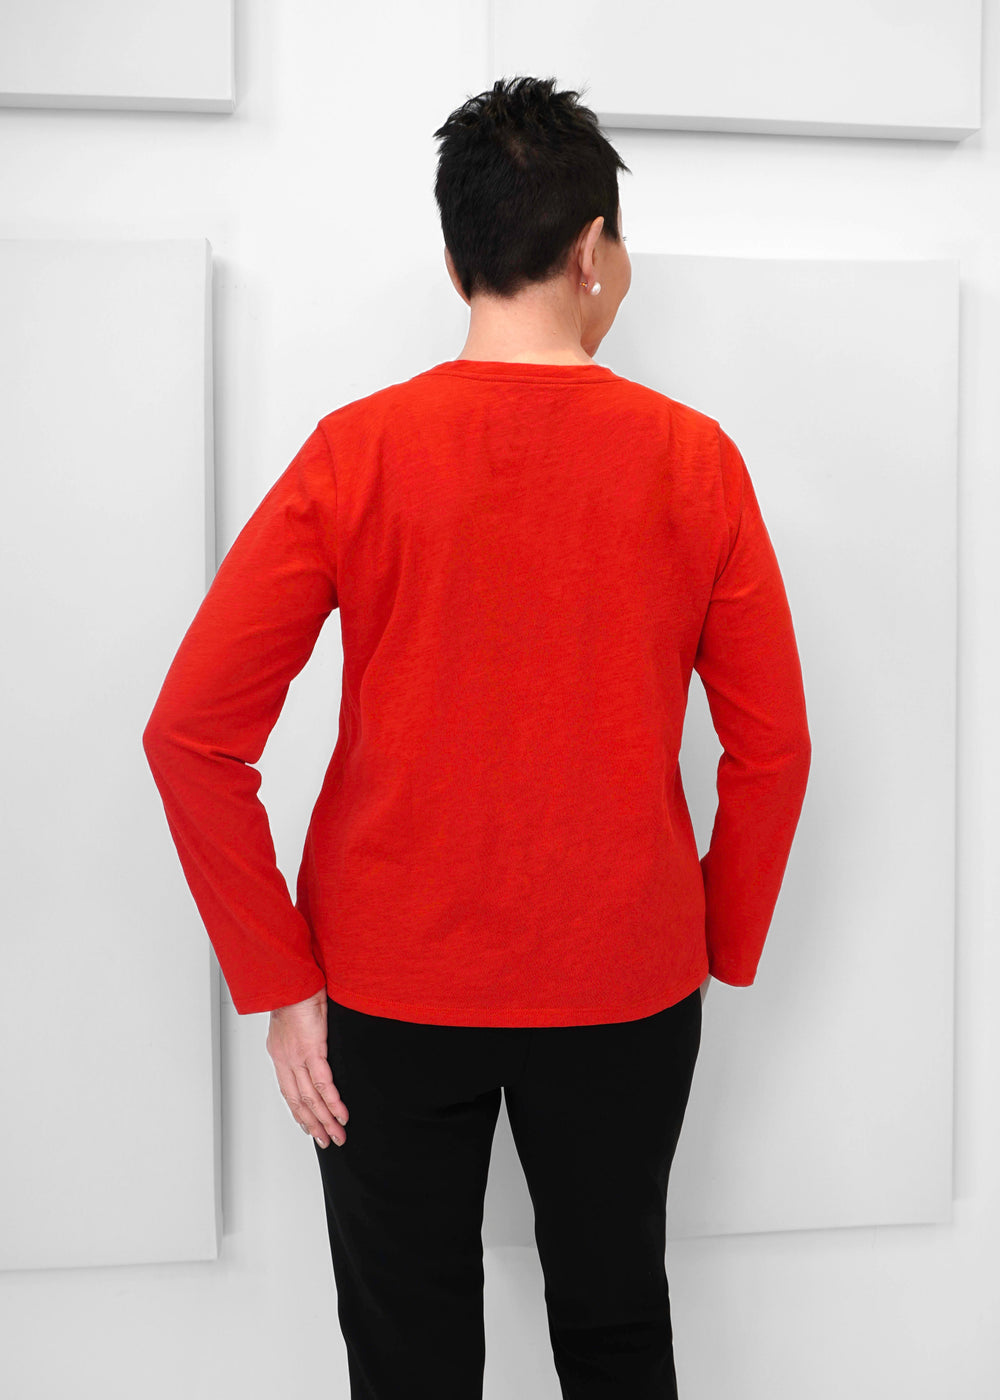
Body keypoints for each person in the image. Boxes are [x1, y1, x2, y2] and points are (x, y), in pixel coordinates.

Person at [142, 74, 811, 1400]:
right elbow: (772, 747)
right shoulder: (696, 461)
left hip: (385, 989)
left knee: (409, 1354)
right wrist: (715, 941)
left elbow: (191, 736)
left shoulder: (357, 452)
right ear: (594, 249)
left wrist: (280, 979)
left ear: (456, 262)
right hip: (624, 982)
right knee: (618, 1334)